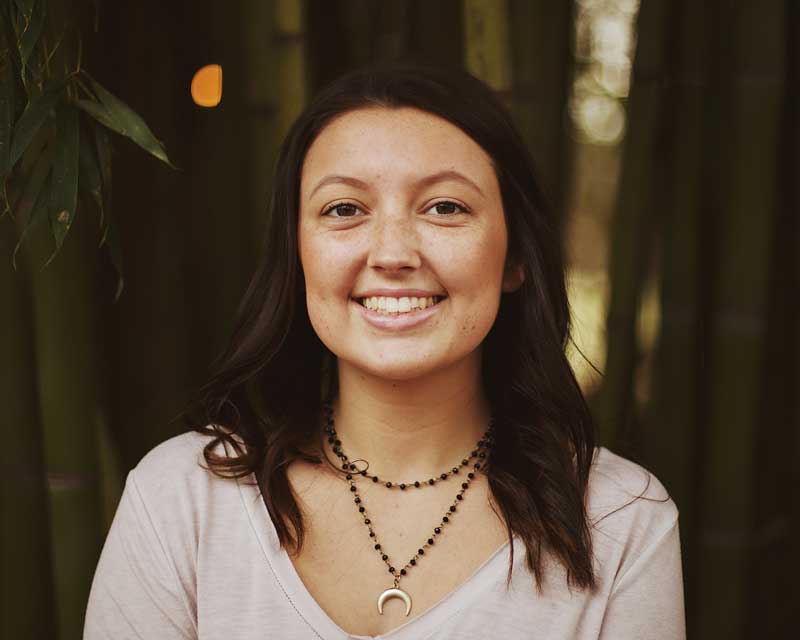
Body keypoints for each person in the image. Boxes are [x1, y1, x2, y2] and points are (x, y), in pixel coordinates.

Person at [83, 59, 685, 639]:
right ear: (297, 255)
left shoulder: (621, 520)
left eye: (445, 207)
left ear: (516, 257)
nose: (393, 254)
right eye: (344, 209)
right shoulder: (182, 499)